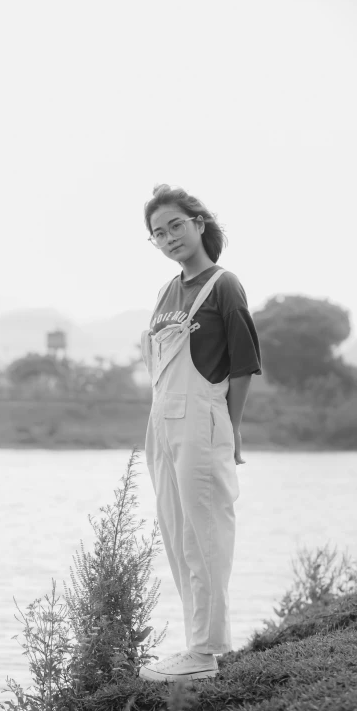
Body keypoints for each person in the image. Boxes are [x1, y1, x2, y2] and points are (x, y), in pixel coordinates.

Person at [139, 184, 262, 683]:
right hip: (161, 421)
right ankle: (198, 645)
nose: (168, 238)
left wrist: (230, 431)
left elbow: (243, 366)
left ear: (199, 223)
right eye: (157, 233)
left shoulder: (224, 285)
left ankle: (207, 651)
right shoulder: (168, 291)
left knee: (207, 533)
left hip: (202, 419)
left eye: (175, 225)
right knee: (177, 531)